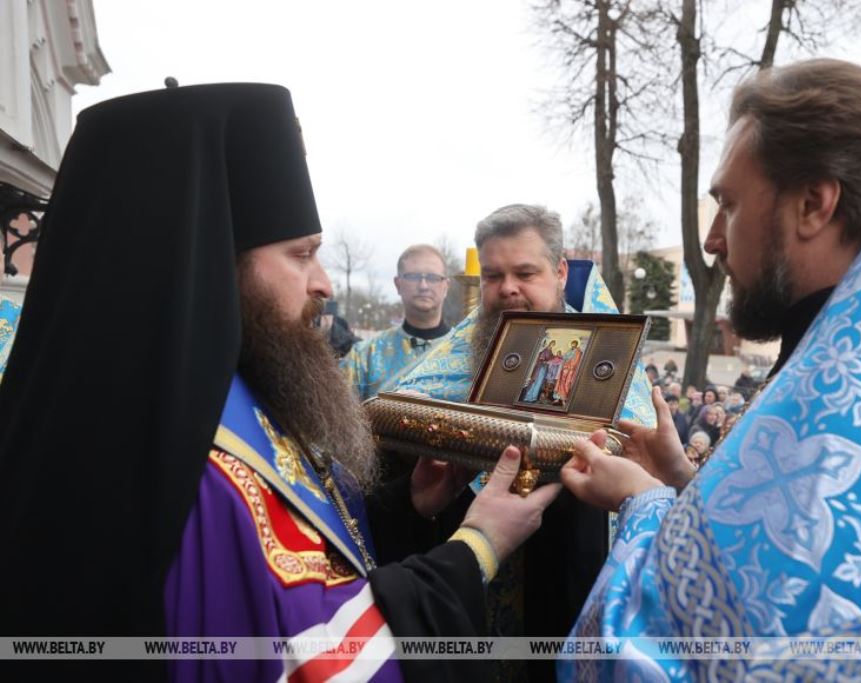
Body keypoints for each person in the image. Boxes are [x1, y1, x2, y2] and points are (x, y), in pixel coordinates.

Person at [0, 84, 561, 681]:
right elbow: (318, 663)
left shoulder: (227, 394)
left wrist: (404, 509)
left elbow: (313, 548)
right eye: (301, 255)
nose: (323, 283)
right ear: (212, 262)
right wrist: (477, 545)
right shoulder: (202, 471)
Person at [559, 59, 861, 681]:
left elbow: (680, 663)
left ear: (813, 205)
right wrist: (688, 487)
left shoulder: (852, 405)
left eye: (730, 204)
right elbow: (782, 587)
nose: (714, 239)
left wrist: (645, 505)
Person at [393, 203, 655, 682]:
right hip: (470, 594)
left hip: (567, 575)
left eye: (524, 272)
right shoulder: (453, 354)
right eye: (493, 275)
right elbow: (395, 418)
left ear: (559, 272)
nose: (507, 288)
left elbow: (634, 455)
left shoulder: (607, 352)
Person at [341, 244, 451, 399]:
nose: (423, 286)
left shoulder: (466, 353)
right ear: (398, 284)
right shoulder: (364, 357)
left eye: (433, 278)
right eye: (413, 276)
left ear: (446, 286)